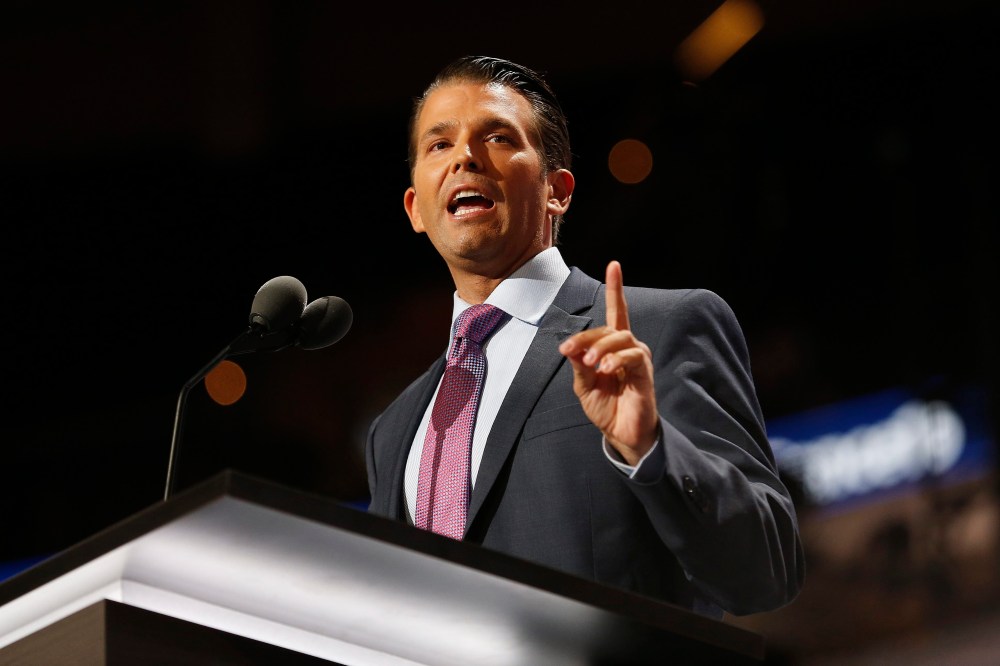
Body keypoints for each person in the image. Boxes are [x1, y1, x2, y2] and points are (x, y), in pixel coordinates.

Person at [365, 54, 804, 618]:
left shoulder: (658, 330)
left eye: (497, 137)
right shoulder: (394, 430)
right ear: (415, 209)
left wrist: (650, 449)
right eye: (439, 145)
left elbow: (767, 573)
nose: (465, 158)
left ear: (558, 189)